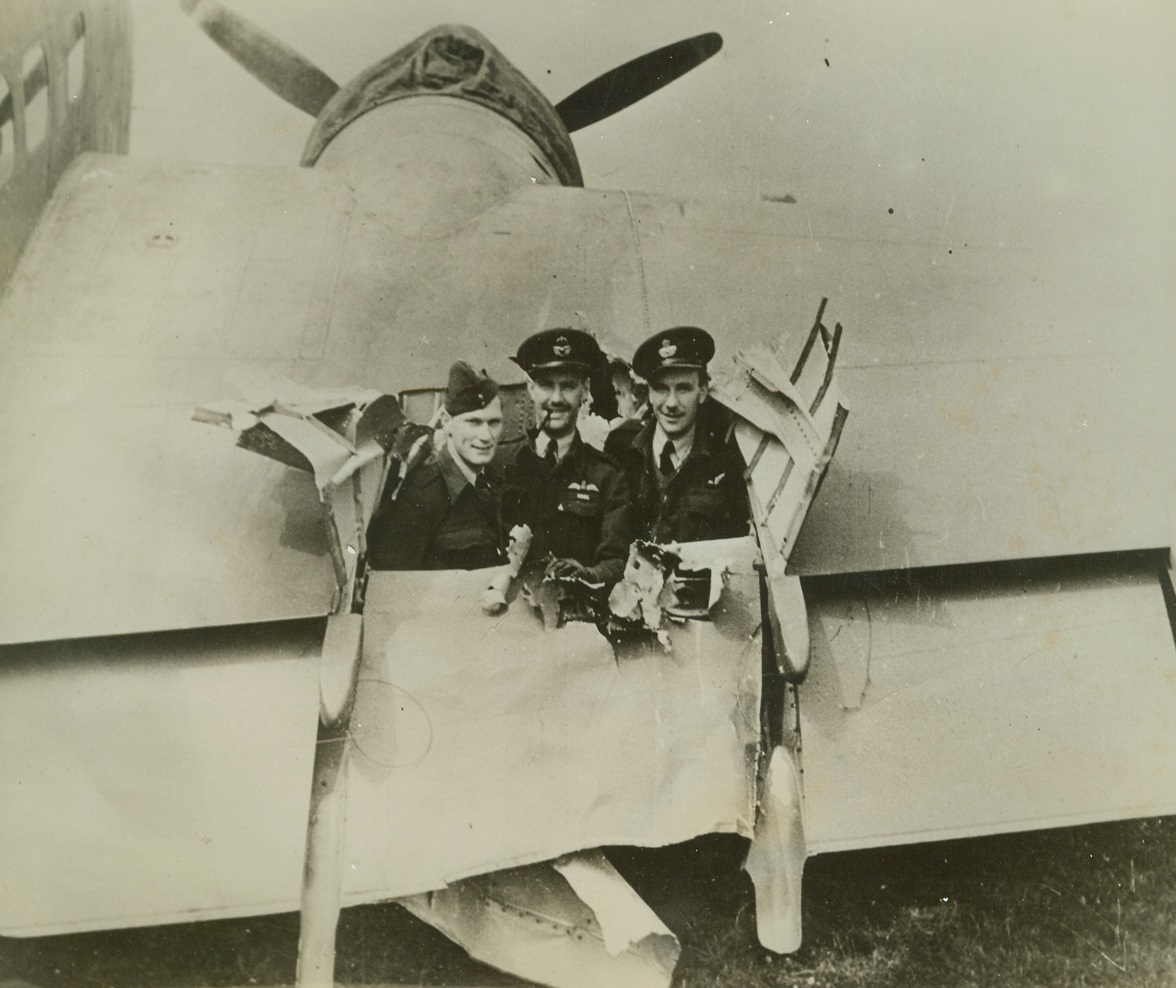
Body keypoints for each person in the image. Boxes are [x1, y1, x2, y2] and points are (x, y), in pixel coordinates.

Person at [500, 328, 636, 587]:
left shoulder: (606, 475)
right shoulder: (504, 463)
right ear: (531, 388)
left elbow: (617, 560)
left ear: (584, 391)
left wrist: (587, 574)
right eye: (546, 385)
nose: (557, 399)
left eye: (568, 386)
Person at [614, 326, 748, 544]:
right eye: (661, 389)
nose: (671, 403)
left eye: (684, 388)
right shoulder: (621, 446)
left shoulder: (723, 461)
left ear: (702, 390)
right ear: (648, 392)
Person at [367, 361, 506, 571]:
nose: (486, 436)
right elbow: (391, 587)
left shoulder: (494, 478)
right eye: (473, 422)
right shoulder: (418, 497)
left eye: (494, 422)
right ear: (446, 422)